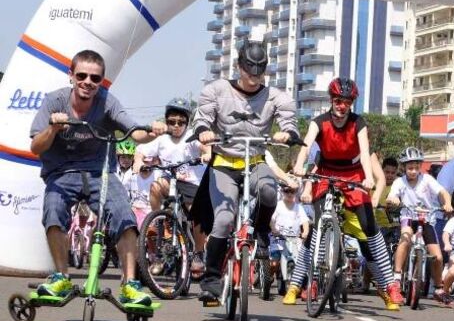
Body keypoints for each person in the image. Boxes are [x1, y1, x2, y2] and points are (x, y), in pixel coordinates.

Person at [30, 49, 165, 305]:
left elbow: (135, 133)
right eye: (82, 75)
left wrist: (153, 132)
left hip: (99, 173)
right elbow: (36, 147)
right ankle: (61, 276)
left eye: (95, 78)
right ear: (71, 75)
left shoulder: (108, 102)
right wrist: (53, 127)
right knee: (53, 210)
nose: (88, 83)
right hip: (61, 172)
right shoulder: (54, 101)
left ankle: (130, 284)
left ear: (101, 81)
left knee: (125, 217)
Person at [192, 41, 300, 301]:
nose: (254, 76)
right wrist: (203, 131)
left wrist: (288, 133)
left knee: (268, 192)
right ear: (239, 66)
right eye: (249, 70)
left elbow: (290, 122)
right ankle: (211, 279)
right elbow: (202, 119)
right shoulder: (216, 90)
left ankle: (261, 233)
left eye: (259, 71)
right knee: (224, 220)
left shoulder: (277, 96)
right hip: (224, 164)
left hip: (255, 160)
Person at [290, 77, 403, 310]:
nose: (342, 106)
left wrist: (368, 177)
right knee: (318, 224)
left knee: (369, 228)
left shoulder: (358, 123)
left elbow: (364, 153)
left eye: (347, 102)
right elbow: (306, 146)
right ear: (331, 100)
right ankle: (308, 282)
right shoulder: (318, 122)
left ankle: (390, 285)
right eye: (338, 101)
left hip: (352, 175)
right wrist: (300, 167)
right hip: (326, 173)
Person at [138, 97, 209, 277]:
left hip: (191, 183)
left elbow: (205, 146)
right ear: (166, 121)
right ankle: (159, 220)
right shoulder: (161, 139)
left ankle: (199, 253)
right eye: (171, 122)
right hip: (169, 181)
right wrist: (138, 162)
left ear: (187, 122)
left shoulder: (191, 136)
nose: (176, 126)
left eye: (180, 122)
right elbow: (141, 150)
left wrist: (207, 154)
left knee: (197, 214)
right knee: (155, 186)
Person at [386, 147, 453, 305]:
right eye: (410, 168)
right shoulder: (399, 182)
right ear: (403, 168)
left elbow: (443, 192)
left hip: (426, 219)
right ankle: (396, 278)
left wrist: (448, 203)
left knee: (437, 256)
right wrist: (393, 200)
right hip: (408, 217)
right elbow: (391, 196)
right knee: (405, 239)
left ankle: (438, 288)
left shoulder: (428, 179)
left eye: (416, 167)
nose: (413, 171)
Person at [270, 184, 310, 277]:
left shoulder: (298, 207)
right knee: (274, 263)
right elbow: (271, 220)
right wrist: (274, 229)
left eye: (292, 191)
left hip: (294, 239)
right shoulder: (278, 205)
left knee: (299, 261)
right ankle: (270, 276)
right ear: (282, 192)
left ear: (296, 193)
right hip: (278, 238)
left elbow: (305, 221)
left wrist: (305, 232)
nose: (289, 194)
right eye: (287, 191)